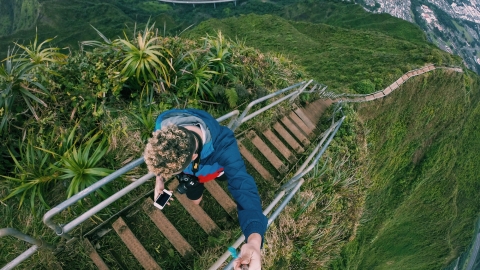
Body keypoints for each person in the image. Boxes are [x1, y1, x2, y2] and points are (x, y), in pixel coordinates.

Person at [143, 108, 268, 269]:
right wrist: (159, 180)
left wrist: (254, 241)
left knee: (224, 177)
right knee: (195, 200)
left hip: (215, 170)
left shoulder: (225, 146)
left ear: (194, 157)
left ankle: (219, 175)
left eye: (173, 172)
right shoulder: (163, 125)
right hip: (194, 177)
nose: (170, 175)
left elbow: (243, 188)